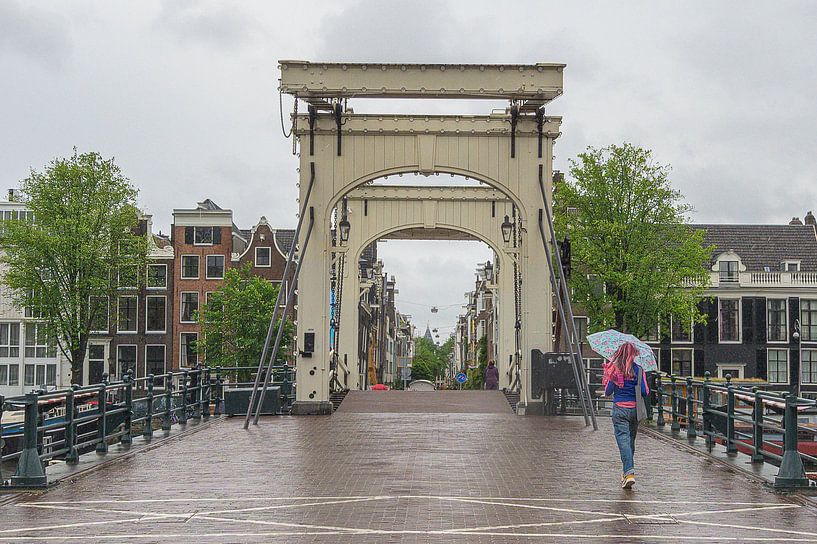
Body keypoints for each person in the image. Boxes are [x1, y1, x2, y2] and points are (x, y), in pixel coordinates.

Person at [603, 342, 649, 489]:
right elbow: (644, 392)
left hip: (620, 410)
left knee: (623, 441)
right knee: (630, 441)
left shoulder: (616, 369)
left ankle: (629, 473)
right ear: (634, 354)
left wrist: (614, 383)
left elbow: (608, 391)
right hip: (634, 410)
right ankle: (626, 473)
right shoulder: (639, 370)